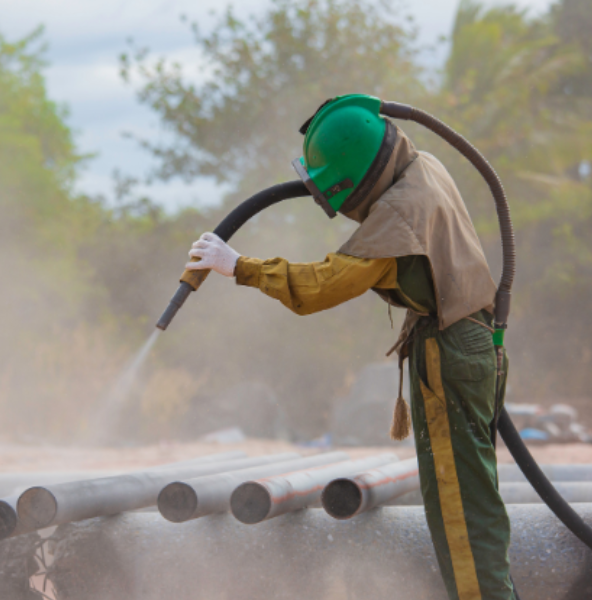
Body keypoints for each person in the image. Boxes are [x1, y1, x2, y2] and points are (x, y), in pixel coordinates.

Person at [184, 94, 515, 600]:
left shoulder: (397, 216)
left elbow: (323, 286)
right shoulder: (422, 166)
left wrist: (239, 266)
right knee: (471, 501)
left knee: (460, 513)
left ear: (355, 178)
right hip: (473, 339)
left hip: (449, 351)